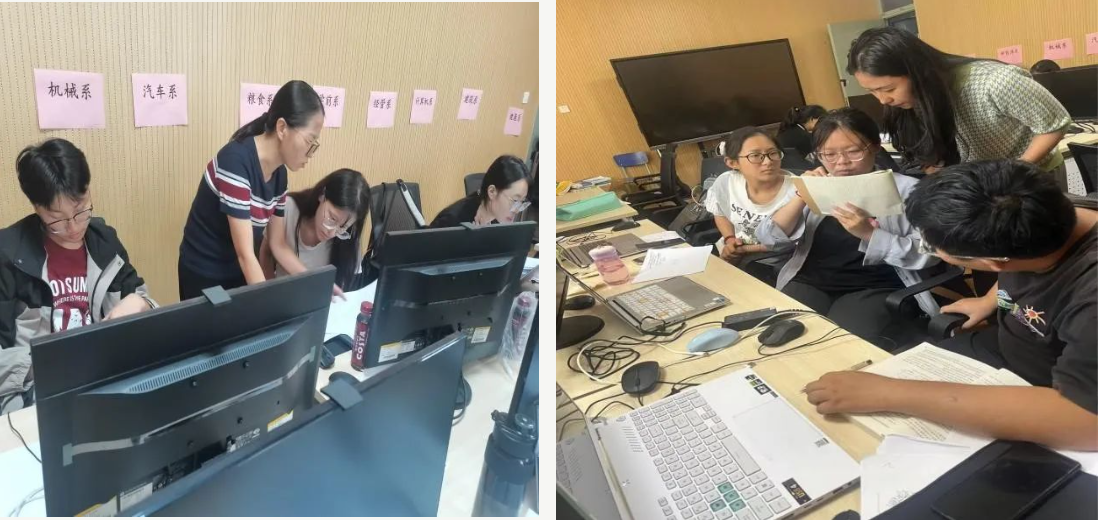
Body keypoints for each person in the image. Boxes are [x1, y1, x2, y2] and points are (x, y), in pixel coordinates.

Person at [805, 160, 1097, 451]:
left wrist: (889, 394)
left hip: (1053, 391)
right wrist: (989, 299)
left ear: (991, 262)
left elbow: (1087, 422)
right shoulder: (1045, 210)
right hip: (1011, 344)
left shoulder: (1090, 299)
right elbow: (1019, 260)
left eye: (932, 248)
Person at [756, 107, 939, 345]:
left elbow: (931, 253)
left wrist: (870, 234)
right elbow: (769, 239)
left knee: (840, 341)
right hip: (811, 281)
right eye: (829, 154)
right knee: (778, 336)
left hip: (873, 286)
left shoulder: (909, 190)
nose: (841, 163)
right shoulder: (816, 184)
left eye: (853, 152)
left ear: (875, 146)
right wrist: (802, 195)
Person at [1, 139, 157, 413]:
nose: (74, 228)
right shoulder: (9, 255)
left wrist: (141, 303)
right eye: (57, 219)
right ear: (37, 207)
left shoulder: (104, 243)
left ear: (88, 190)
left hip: (102, 382)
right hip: (35, 394)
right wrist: (44, 363)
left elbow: (145, 305)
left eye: (81, 210)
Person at [847, 27, 1072, 188]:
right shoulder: (914, 99)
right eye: (872, 91)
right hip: (979, 181)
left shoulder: (994, 82)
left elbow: (1054, 124)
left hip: (1032, 174)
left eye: (888, 89)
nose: (883, 100)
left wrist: (1017, 168)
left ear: (917, 71)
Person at [178, 80, 325, 301]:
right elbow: (246, 254)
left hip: (236, 267)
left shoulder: (280, 175)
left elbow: (277, 244)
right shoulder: (235, 163)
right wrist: (266, 306)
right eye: (310, 141)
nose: (310, 153)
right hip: (205, 270)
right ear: (282, 128)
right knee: (219, 324)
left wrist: (315, 282)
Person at [259, 169, 370, 295]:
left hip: (321, 303)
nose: (331, 232)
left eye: (343, 227)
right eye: (332, 218)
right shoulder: (287, 209)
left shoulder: (349, 237)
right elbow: (266, 252)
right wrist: (270, 290)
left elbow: (347, 287)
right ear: (322, 195)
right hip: (282, 297)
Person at [703, 126, 796, 276]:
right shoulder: (726, 182)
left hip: (776, 263)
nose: (768, 161)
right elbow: (720, 212)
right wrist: (730, 239)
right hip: (733, 253)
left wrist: (742, 250)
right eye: (755, 155)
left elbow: (791, 242)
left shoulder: (797, 189)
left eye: (773, 153)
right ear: (732, 163)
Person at [430, 155, 530, 227]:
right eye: (515, 200)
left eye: (522, 202)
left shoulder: (498, 219)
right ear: (492, 192)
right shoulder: (452, 222)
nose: (517, 210)